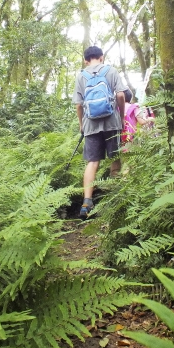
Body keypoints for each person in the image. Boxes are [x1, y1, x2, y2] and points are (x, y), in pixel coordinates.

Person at [73, 46, 127, 219]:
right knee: (114, 158)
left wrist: (82, 125)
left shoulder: (81, 76)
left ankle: (86, 202)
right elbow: (120, 96)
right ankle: (115, 199)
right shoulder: (111, 71)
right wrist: (122, 116)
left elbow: (79, 105)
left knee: (92, 162)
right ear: (102, 57)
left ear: (86, 60)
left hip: (90, 123)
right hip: (112, 122)